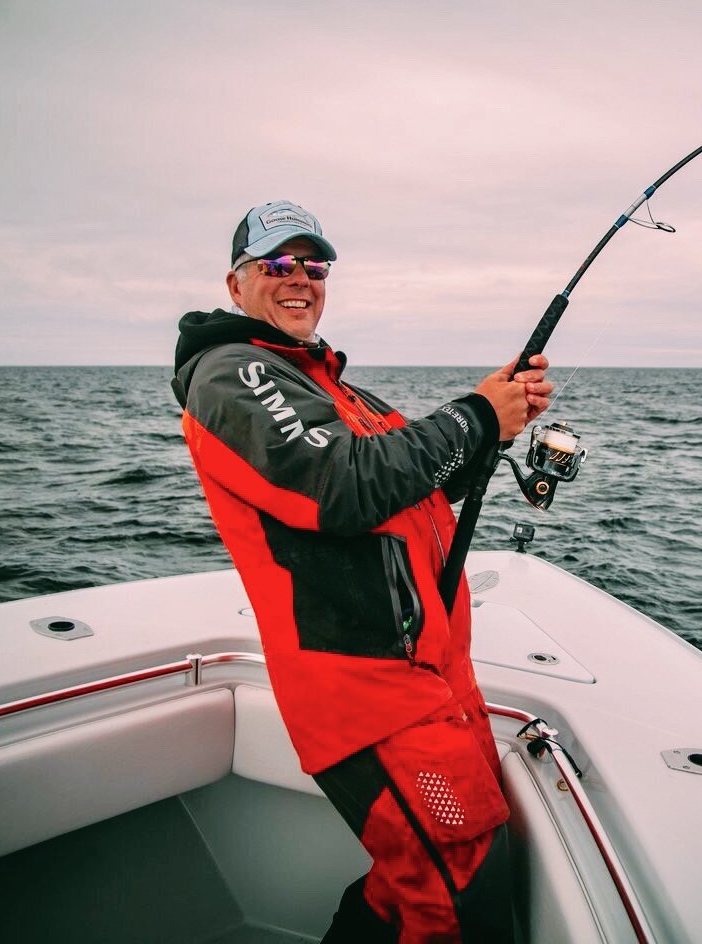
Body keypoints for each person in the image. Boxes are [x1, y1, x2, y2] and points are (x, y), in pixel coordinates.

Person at [171, 200, 552, 943]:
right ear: (235, 283)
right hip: (367, 694)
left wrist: (498, 417)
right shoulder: (231, 374)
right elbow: (342, 486)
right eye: (278, 264)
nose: (300, 280)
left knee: (408, 883)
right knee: (459, 898)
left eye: (314, 266)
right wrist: (478, 414)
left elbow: (417, 484)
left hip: (430, 680)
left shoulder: (326, 384)